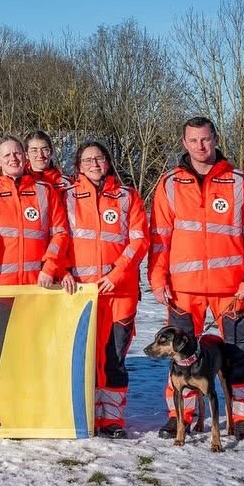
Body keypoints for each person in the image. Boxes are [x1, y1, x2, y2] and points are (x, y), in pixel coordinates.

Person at [149, 116, 244, 441]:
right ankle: (181, 417)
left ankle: (242, 419)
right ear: (184, 143)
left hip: (231, 291)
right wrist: (158, 279)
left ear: (215, 139)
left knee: (239, 356)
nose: (200, 146)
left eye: (206, 139)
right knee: (181, 358)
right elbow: (159, 237)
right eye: (193, 140)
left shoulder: (240, 182)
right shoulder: (169, 184)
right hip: (183, 291)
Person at [65, 140, 149, 438]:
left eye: (99, 159)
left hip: (120, 293)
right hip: (80, 296)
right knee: (84, 358)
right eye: (88, 161)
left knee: (113, 357)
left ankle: (112, 419)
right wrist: (63, 271)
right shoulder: (67, 198)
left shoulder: (128, 197)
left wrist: (117, 273)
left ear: (108, 162)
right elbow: (59, 238)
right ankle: (86, 414)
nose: (94, 165)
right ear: (79, 167)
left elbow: (139, 241)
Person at [0, 137, 71, 288]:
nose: (13, 159)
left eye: (17, 153)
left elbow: (60, 233)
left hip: (38, 282)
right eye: (7, 155)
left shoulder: (45, 190)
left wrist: (50, 268)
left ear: (24, 156)